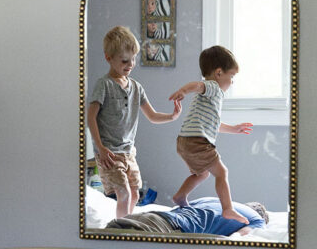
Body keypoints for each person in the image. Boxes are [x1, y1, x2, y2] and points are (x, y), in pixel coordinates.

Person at [86, 25, 181, 218]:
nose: (130, 64)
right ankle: (121, 227)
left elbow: (152, 116)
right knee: (123, 193)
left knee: (135, 194)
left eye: (133, 59)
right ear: (109, 58)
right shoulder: (104, 85)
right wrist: (100, 148)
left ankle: (128, 223)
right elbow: (90, 117)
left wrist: (171, 116)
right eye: (124, 61)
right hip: (110, 154)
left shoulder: (136, 87)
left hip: (129, 153)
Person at [168, 45, 254, 223]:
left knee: (203, 173)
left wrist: (234, 129)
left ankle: (180, 197)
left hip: (184, 142)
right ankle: (228, 209)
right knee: (222, 172)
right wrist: (183, 91)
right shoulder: (213, 87)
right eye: (232, 76)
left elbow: (214, 124)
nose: (232, 82)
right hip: (197, 142)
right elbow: (197, 85)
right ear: (219, 73)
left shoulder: (210, 97)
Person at [105, 197, 267, 236]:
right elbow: (239, 237)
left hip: (151, 216)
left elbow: (180, 204)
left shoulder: (211, 199)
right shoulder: (256, 219)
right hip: (170, 228)